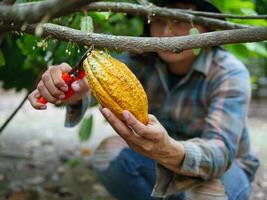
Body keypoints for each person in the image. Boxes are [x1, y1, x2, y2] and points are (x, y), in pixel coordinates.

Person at [28, 0, 260, 199]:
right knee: (108, 154)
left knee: (211, 195)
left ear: (206, 27)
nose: (167, 32)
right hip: (157, 159)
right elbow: (96, 82)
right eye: (159, 20)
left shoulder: (228, 72)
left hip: (221, 168)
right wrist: (68, 88)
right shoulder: (140, 60)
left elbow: (221, 152)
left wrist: (169, 149)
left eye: (180, 21)